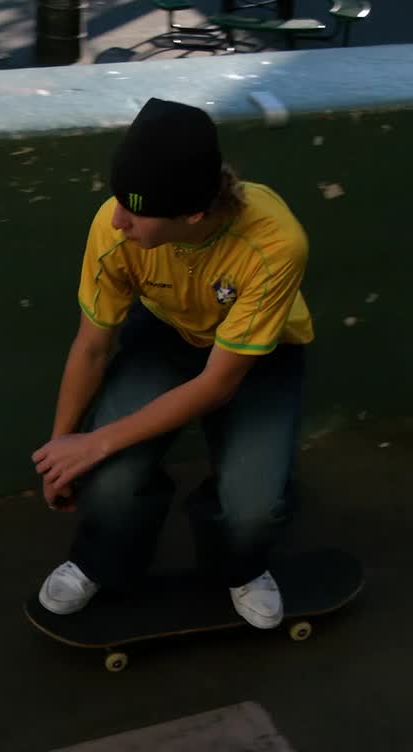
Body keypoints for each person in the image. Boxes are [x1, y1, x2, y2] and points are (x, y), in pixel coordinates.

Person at [31, 97, 313, 629]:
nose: (117, 220)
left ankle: (241, 565)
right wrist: (61, 449)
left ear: (193, 215)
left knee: (252, 507)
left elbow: (218, 384)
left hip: (257, 355)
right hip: (166, 334)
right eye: (118, 199)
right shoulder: (115, 227)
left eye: (135, 212)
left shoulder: (275, 243)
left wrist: (96, 441)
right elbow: (92, 346)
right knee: (109, 480)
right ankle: (101, 560)